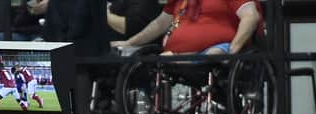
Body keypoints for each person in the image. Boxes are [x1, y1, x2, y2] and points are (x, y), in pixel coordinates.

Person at [112, 0, 262, 56]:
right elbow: (159, 24)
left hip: (218, 50)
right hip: (176, 56)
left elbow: (251, 16)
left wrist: (234, 49)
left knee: (214, 53)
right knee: (150, 60)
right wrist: (130, 43)